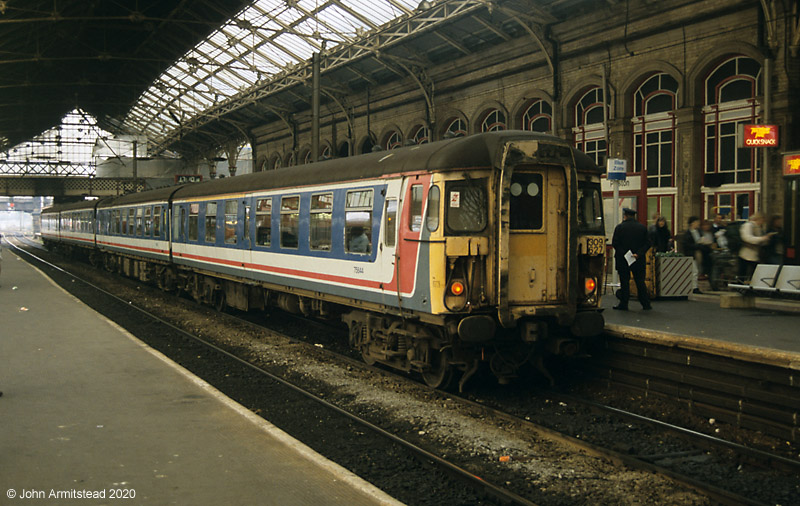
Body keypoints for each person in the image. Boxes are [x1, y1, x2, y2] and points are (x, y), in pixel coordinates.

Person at [612, 208, 652, 311]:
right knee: (640, 281)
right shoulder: (642, 228)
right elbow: (647, 243)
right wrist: (638, 254)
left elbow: (615, 243)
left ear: (625, 216)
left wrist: (625, 254)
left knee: (624, 281)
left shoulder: (620, 228)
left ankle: (624, 303)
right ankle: (645, 303)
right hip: (638, 259)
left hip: (623, 259)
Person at [737, 212, 773, 281]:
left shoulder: (758, 227)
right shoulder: (748, 225)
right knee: (743, 273)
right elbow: (747, 238)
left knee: (753, 273)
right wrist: (762, 238)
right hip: (746, 254)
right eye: (762, 220)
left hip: (754, 255)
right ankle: (741, 287)